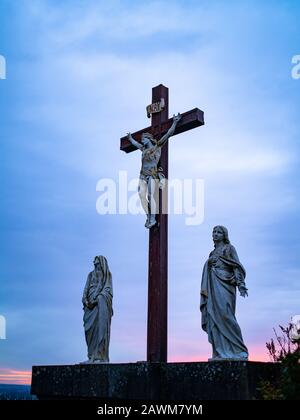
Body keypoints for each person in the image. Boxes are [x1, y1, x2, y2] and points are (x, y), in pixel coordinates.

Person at [200, 226, 248, 360]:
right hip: (213, 286)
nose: (215, 234)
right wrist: (208, 263)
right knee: (214, 316)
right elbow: (208, 269)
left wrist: (241, 284)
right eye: (214, 232)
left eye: (219, 232)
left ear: (224, 235)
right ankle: (220, 351)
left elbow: (236, 266)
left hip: (226, 285)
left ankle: (238, 349)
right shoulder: (212, 253)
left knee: (226, 315)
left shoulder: (229, 249)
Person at [127, 113, 181, 228]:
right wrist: (130, 138)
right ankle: (148, 215)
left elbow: (168, 134)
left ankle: (153, 219)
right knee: (141, 195)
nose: (142, 141)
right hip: (142, 175)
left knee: (152, 196)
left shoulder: (157, 146)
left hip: (152, 174)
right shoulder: (143, 149)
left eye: (143, 139)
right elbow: (135, 144)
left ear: (149, 139)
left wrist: (175, 122)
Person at [82, 255, 113, 363]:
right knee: (89, 331)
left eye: (98, 265)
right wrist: (86, 301)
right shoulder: (90, 275)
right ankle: (91, 356)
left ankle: (99, 356)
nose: (96, 267)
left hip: (100, 307)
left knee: (100, 329)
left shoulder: (107, 275)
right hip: (89, 308)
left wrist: (98, 298)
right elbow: (86, 289)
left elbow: (108, 291)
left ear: (102, 264)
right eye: (94, 265)